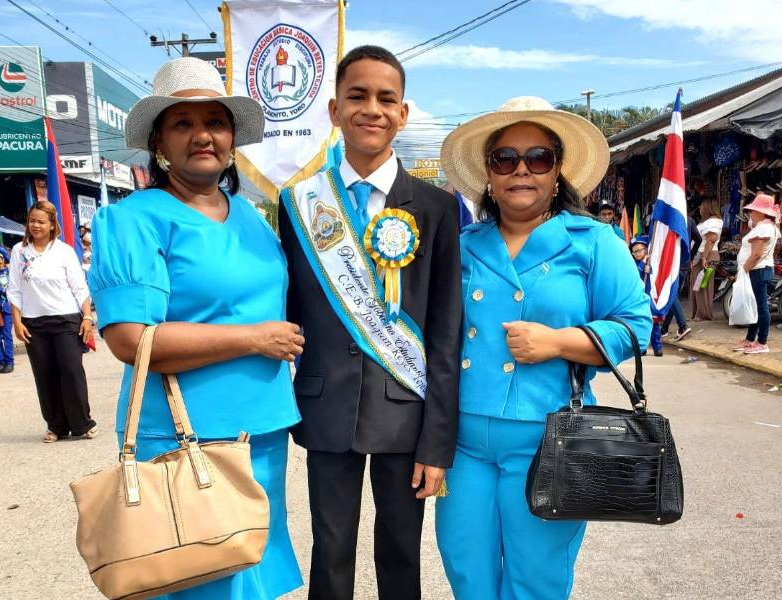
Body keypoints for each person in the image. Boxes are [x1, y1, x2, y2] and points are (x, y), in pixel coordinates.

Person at [88, 57, 304, 600]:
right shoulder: (135, 218)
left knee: (251, 579)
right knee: (200, 585)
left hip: (262, 433)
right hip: (188, 438)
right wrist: (253, 338)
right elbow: (130, 340)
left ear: (232, 137)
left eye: (215, 121)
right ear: (159, 142)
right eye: (183, 123)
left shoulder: (251, 215)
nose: (202, 135)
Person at [436, 96, 652, 600]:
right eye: (504, 159)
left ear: (558, 171)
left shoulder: (594, 241)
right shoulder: (463, 244)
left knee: (538, 578)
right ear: (488, 174)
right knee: (465, 566)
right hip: (461, 441)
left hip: (551, 439)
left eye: (538, 158)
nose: (521, 171)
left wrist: (559, 342)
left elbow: (635, 326)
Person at [278, 45, 462, 600]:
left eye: (387, 99)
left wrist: (437, 443)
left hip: (405, 413)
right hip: (325, 404)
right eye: (357, 96)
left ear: (403, 113)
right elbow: (287, 308)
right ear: (334, 110)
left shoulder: (435, 206)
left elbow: (445, 329)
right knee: (329, 551)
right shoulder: (298, 203)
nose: (372, 109)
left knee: (401, 553)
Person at [8, 200, 97, 443]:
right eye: (32, 221)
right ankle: (56, 426)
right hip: (34, 324)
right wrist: (17, 322)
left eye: (41, 221)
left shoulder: (64, 251)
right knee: (45, 375)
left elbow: (80, 288)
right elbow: (14, 290)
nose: (35, 225)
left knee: (71, 370)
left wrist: (87, 317)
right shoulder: (19, 251)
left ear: (51, 225)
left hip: (66, 320)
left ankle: (82, 423)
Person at [733, 193, 780, 355]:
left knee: (760, 307)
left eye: (753, 210)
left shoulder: (764, 228)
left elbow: (756, 254)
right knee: (756, 306)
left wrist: (744, 270)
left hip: (757, 270)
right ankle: (751, 339)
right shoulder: (768, 227)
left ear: (760, 212)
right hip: (760, 269)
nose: (751, 213)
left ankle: (761, 342)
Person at [662, 215, 700, 340]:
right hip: (684, 262)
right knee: (674, 296)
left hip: (671, 262)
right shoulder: (689, 219)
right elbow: (698, 239)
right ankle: (664, 328)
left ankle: (682, 325)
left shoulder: (668, 218)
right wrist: (691, 256)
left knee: (670, 295)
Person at [691, 198, 724, 321]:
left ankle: (702, 314)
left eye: (701, 206)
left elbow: (711, 239)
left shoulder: (713, 222)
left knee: (702, 285)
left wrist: (704, 257)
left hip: (706, 255)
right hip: (701, 255)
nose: (700, 208)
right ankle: (698, 312)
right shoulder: (708, 221)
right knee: (698, 285)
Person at [631, 236, 663, 356]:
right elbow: (634, 275)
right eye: (634, 252)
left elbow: (657, 278)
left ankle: (657, 347)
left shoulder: (651, 262)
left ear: (646, 250)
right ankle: (642, 347)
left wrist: (650, 269)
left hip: (649, 297)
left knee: (654, 323)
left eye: (639, 250)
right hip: (638, 298)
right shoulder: (634, 264)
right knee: (641, 323)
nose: (637, 253)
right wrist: (642, 265)